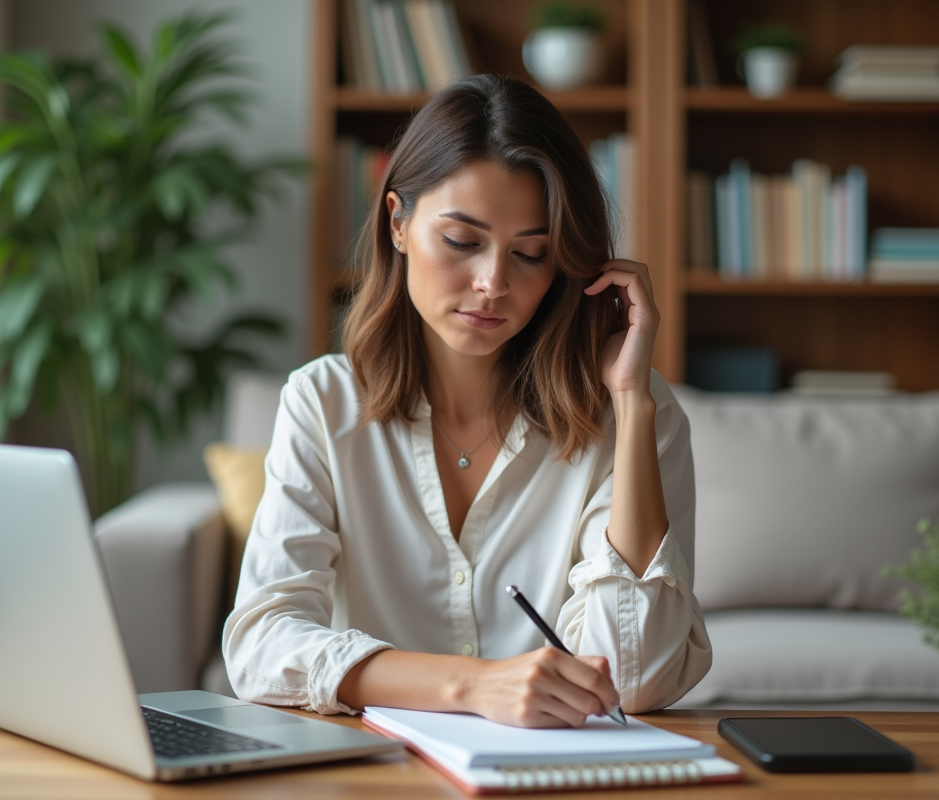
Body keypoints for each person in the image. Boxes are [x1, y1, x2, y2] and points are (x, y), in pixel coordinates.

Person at [223, 74, 711, 729]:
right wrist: (475, 686)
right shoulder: (322, 402)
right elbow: (260, 645)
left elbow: (632, 677)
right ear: (398, 223)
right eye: (462, 242)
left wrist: (632, 405)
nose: (492, 284)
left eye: (531, 254)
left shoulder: (627, 413)